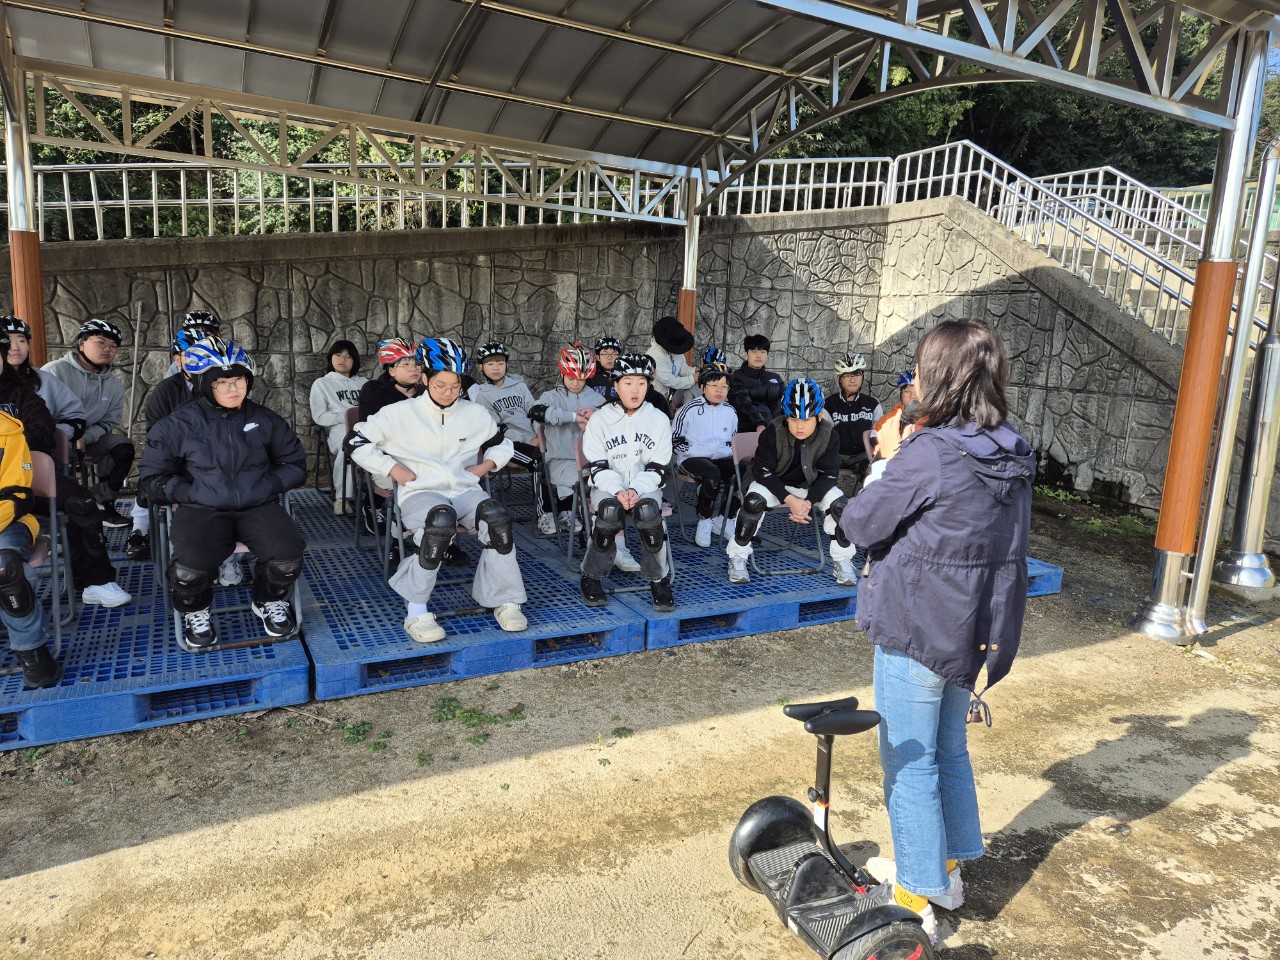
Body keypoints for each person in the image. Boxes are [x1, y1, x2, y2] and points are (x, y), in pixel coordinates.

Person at [838, 320, 1035, 944]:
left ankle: (912, 896)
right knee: (947, 748)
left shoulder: (929, 452)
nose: (916, 380)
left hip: (916, 627)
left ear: (940, 377)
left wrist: (886, 460)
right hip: (971, 628)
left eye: (922, 368)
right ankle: (945, 872)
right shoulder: (1010, 449)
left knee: (910, 761)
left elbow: (860, 525)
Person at [349, 337, 527, 643]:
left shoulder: (474, 413)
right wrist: (392, 469)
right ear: (425, 378)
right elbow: (356, 442)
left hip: (464, 489)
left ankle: (505, 600)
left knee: (497, 518)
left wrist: (484, 467)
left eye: (455, 386)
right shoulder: (399, 413)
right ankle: (416, 611)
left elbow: (502, 445)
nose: (448, 392)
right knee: (440, 523)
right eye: (440, 385)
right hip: (420, 493)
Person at [139, 338, 307, 649]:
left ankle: (267, 599)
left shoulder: (265, 419)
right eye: (222, 382)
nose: (233, 389)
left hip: (257, 505)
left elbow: (295, 464)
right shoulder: (178, 424)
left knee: (286, 557)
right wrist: (189, 492)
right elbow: (151, 478)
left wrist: (268, 485)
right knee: (189, 570)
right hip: (201, 508)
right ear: (205, 385)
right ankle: (195, 611)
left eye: (239, 380)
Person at [3, 322, 133, 608]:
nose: (14, 347)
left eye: (21, 340)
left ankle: (96, 581)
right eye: (7, 342)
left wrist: (13, 445)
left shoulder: (26, 391)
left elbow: (45, 428)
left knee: (81, 503)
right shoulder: (56, 370)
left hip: (26, 474)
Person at [726, 378, 859, 586]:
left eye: (807, 420)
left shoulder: (829, 435)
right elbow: (761, 470)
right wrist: (790, 500)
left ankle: (843, 561)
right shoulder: (773, 430)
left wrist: (807, 502)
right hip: (773, 483)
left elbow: (829, 475)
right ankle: (737, 557)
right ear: (786, 416)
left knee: (841, 506)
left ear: (819, 416)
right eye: (794, 419)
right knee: (753, 502)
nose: (799, 426)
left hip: (809, 487)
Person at [579, 353, 676, 612]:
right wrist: (619, 490)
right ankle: (591, 576)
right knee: (609, 512)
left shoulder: (658, 419)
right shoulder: (600, 419)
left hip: (645, 488)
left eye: (642, 383)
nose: (635, 390)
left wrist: (636, 489)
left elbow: (658, 467)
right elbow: (598, 467)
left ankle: (659, 580)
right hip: (608, 487)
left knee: (649, 512)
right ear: (616, 385)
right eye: (628, 382)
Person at [40, 318, 134, 528]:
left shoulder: (114, 384)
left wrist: (85, 437)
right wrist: (69, 441)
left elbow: (108, 422)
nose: (107, 349)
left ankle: (102, 502)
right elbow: (41, 417)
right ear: (81, 344)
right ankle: (62, 518)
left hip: (88, 441)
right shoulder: (54, 372)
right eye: (100, 342)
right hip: (54, 442)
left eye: (113, 346)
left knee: (122, 447)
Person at [0, 409, 61, 688]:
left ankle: (32, 652)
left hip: (8, 520)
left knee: (6, 570)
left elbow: (17, 494)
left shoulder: (7, 431)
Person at [467, 340, 550, 532]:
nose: (496, 368)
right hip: (507, 443)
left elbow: (533, 412)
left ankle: (565, 511)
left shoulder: (519, 385)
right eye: (490, 364)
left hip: (534, 438)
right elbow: (499, 429)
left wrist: (540, 435)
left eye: (500, 363)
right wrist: (529, 440)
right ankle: (544, 515)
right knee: (538, 462)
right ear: (481, 367)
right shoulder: (482, 395)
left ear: (506, 364)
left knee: (558, 456)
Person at [529, 344, 605, 537]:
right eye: (571, 378)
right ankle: (555, 515)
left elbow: (611, 420)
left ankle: (586, 520)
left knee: (606, 482)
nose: (576, 383)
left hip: (592, 461)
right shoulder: (551, 396)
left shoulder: (596, 398)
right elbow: (536, 412)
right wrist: (573, 417)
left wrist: (595, 416)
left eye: (581, 379)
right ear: (562, 374)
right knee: (586, 483)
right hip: (560, 461)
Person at [672, 361, 737, 547]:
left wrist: (728, 453)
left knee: (742, 474)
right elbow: (675, 440)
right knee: (712, 475)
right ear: (702, 386)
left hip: (721, 457)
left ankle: (724, 519)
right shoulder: (689, 410)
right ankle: (705, 520)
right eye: (714, 385)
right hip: (692, 458)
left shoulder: (730, 411)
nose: (720, 390)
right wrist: (691, 451)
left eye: (724, 386)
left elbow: (731, 440)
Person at [309, 339, 368, 515]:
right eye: (338, 355)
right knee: (348, 445)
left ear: (355, 361)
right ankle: (343, 498)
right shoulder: (322, 384)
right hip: (339, 429)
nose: (343, 359)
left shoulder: (363, 382)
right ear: (331, 358)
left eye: (348, 356)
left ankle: (379, 495)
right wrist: (345, 416)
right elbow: (320, 416)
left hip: (366, 426)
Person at [826, 353, 882, 488]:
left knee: (873, 474)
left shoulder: (873, 404)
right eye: (847, 376)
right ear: (839, 379)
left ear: (863, 377)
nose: (853, 380)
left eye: (857, 375)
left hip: (863, 456)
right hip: (837, 455)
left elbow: (879, 434)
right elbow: (824, 434)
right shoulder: (828, 404)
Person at [729, 333, 784, 433]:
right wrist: (759, 424)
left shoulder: (775, 378)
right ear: (746, 354)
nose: (758, 356)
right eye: (754, 351)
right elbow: (744, 403)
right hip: (749, 431)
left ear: (767, 355)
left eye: (763, 352)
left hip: (776, 431)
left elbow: (786, 401)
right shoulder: (736, 377)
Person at [644, 316, 695, 403]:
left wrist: (694, 371)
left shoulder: (676, 346)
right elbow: (669, 380)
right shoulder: (654, 355)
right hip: (654, 398)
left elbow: (682, 368)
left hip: (668, 398)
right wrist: (692, 379)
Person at [163, 310, 222, 377]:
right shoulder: (180, 362)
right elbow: (169, 382)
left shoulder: (226, 357)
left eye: (207, 333)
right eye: (195, 332)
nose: (201, 338)